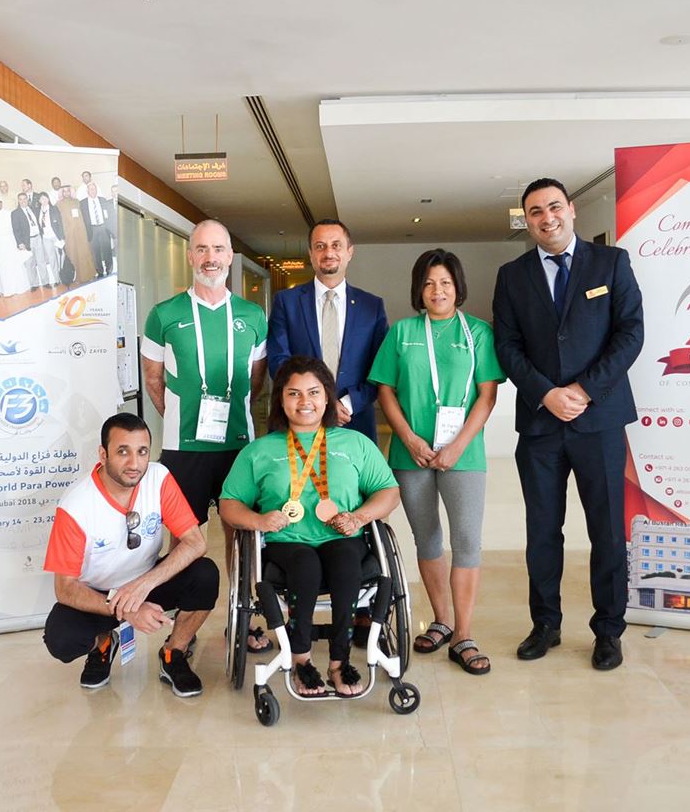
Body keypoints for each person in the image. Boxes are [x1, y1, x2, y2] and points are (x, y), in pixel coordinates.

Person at [492, 176, 644, 672]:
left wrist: (582, 391)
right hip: (540, 425)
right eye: (535, 212)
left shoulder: (611, 262)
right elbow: (507, 347)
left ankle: (608, 630)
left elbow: (630, 333)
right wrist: (546, 393)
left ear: (572, 210)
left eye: (553, 207)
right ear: (527, 221)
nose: (546, 218)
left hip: (598, 420)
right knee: (542, 531)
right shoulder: (512, 276)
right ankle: (546, 624)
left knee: (605, 530)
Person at [219, 356, 400, 696]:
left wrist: (359, 517)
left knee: (346, 563)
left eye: (314, 392)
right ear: (281, 400)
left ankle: (339, 661)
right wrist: (258, 520)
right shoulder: (260, 451)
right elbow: (229, 504)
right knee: (305, 566)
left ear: (328, 397)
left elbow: (389, 491)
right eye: (294, 394)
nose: (305, 402)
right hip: (286, 541)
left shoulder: (355, 443)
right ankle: (301, 659)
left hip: (342, 534)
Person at [368, 249, 504, 675]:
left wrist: (459, 445)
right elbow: (385, 390)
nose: (437, 290)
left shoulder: (478, 332)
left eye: (445, 282)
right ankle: (442, 619)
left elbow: (487, 394)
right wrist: (407, 437)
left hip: (464, 454)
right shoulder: (403, 332)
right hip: (411, 454)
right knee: (426, 537)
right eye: (428, 283)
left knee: (466, 540)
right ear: (418, 289)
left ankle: (464, 634)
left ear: (457, 287)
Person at [141, 219, 270, 652]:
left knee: (242, 534)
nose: (210, 258)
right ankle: (185, 626)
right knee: (186, 540)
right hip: (183, 449)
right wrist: (179, 417)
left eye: (218, 249)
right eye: (201, 249)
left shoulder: (253, 316)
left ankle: (245, 616)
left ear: (230, 257)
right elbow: (153, 379)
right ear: (190, 255)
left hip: (238, 447)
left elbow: (256, 380)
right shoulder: (164, 313)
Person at [42, 414, 219, 697]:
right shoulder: (75, 506)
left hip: (146, 580)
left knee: (205, 574)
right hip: (99, 594)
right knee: (61, 640)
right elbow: (65, 588)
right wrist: (128, 607)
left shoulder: (158, 478)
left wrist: (144, 586)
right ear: (103, 454)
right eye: (122, 451)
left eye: (142, 451)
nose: (134, 463)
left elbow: (195, 543)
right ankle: (102, 645)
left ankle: (174, 652)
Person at [267, 218, 389, 442]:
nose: (328, 252)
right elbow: (278, 360)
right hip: (298, 420)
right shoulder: (286, 302)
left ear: (349, 251)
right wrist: (316, 402)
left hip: (354, 421)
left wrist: (345, 404)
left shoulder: (372, 307)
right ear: (311, 253)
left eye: (336, 245)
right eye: (320, 246)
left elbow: (380, 369)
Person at [0, 193, 30, 297]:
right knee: (3, 267)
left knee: (15, 264)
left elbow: (16, 229)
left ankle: (20, 287)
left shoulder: (9, 213)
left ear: (1, 203)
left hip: (11, 242)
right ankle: (8, 290)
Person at [57, 185, 96, 283]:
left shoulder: (77, 202)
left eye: (68, 191)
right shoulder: (58, 204)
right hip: (69, 234)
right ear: (62, 193)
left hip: (81, 232)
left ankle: (89, 275)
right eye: (64, 191)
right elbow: (58, 222)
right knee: (73, 254)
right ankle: (76, 278)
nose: (66, 193)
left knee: (84, 253)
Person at [81, 183, 117, 278]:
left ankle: (109, 269)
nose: (93, 191)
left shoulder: (103, 200)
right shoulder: (83, 203)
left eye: (94, 189)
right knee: (95, 252)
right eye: (91, 189)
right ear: (87, 191)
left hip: (103, 228)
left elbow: (109, 216)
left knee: (107, 250)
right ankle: (99, 271)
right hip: (92, 230)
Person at [11, 191, 43, 290]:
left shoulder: (33, 209)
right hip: (27, 241)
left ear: (28, 200)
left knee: (41, 261)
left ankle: (45, 282)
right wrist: (20, 243)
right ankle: (34, 284)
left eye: (25, 199)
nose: (23, 201)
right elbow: (15, 230)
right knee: (30, 264)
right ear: (18, 201)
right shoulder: (15, 213)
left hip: (37, 237)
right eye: (20, 199)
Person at [36, 191, 66, 286]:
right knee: (52, 259)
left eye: (45, 198)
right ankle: (57, 279)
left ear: (48, 199)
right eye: (41, 199)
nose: (43, 200)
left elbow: (60, 223)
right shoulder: (38, 211)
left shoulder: (54, 209)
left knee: (61, 257)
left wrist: (62, 237)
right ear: (39, 201)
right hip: (46, 238)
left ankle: (63, 276)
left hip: (55, 236)